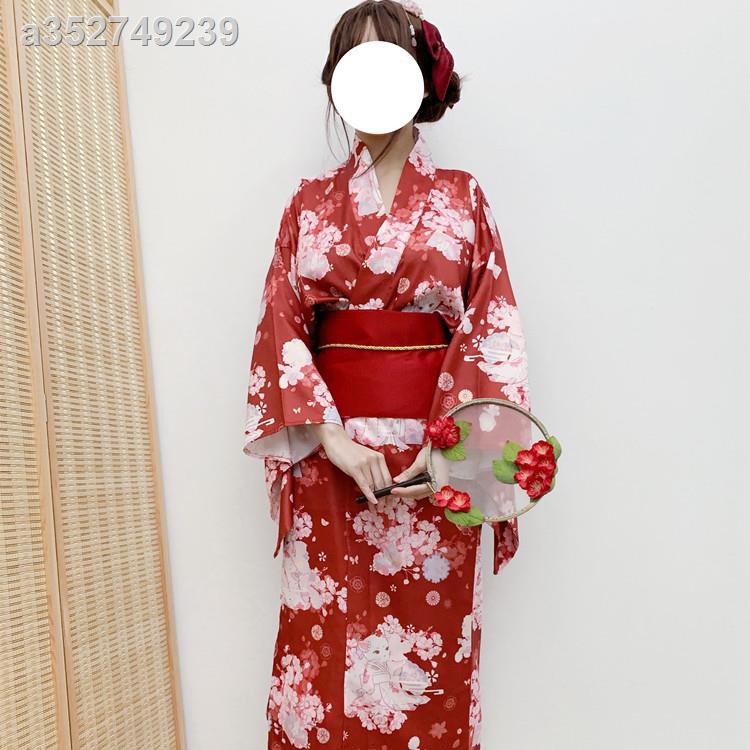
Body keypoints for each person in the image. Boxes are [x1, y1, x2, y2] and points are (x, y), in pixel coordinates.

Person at [243, 1, 529, 747]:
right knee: (324, 658)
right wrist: (332, 440)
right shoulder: (308, 205)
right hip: (332, 465)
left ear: (419, 76)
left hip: (433, 470)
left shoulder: (463, 198)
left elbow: (492, 331)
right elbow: (281, 329)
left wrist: (456, 452)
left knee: (430, 669)